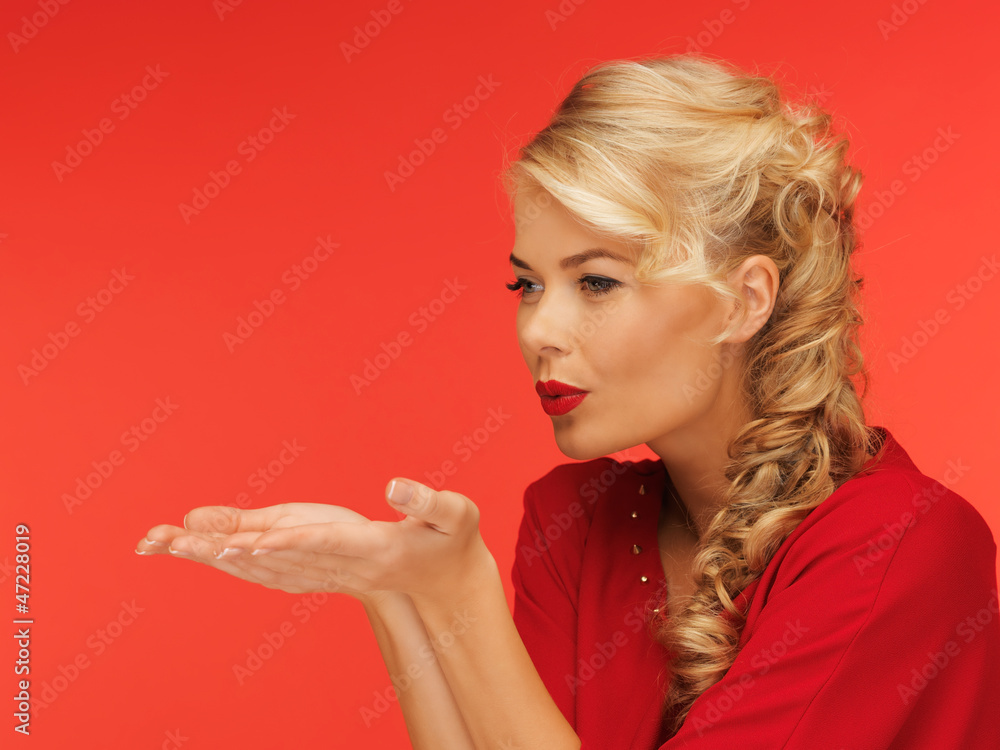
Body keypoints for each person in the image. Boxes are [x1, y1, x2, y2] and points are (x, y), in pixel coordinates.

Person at [136, 53, 1000, 749]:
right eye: (525, 283)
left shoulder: (903, 546)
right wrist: (402, 597)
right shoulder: (573, 524)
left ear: (745, 299)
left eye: (595, 280)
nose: (540, 330)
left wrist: (463, 596)